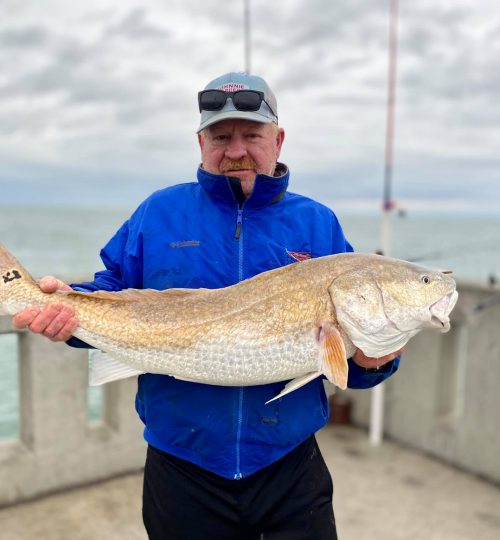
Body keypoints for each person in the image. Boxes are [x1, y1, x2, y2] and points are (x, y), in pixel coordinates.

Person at [13, 72, 401, 540]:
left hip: (289, 465)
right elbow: (110, 289)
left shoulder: (317, 224)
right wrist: (63, 310)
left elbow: (347, 365)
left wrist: (375, 360)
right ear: (201, 143)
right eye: (221, 137)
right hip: (182, 466)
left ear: (277, 140)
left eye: (251, 135)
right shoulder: (158, 214)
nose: (236, 150)